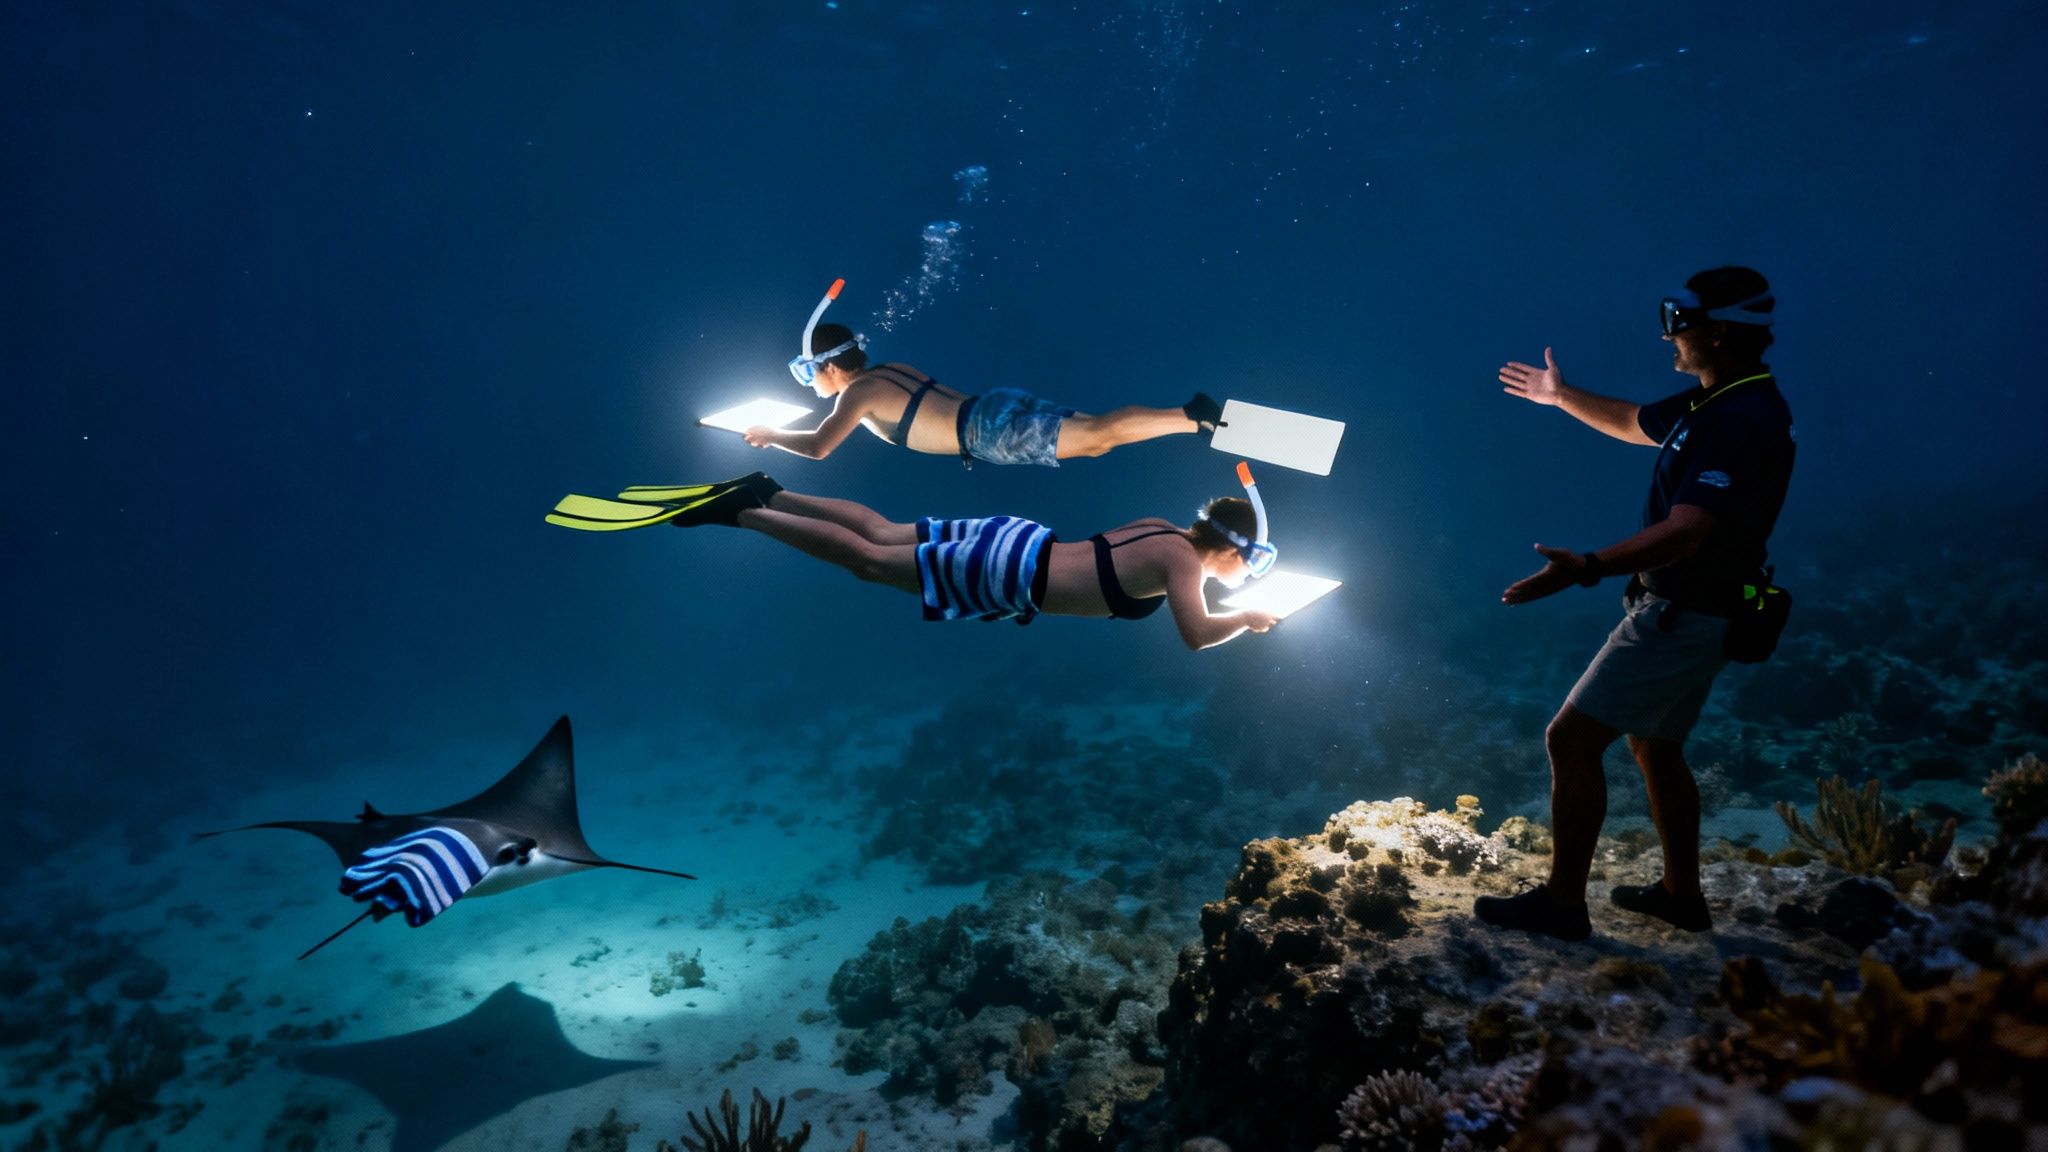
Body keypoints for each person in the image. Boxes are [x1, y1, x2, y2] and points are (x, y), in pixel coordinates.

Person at [1475, 266, 1795, 941]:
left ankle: (1563, 906)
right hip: (1706, 610)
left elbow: (1687, 530)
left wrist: (1588, 567)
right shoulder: (1718, 401)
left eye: (1679, 321)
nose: (1666, 335)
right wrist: (1560, 396)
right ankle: (1682, 896)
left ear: (1719, 331)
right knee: (1654, 745)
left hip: (1682, 615)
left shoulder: (1741, 418)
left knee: (1570, 739)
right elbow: (1630, 422)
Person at [660, 472, 1280, 650]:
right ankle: (745, 512)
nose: (1242, 578)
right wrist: (1247, 618)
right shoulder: (1184, 565)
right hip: (1010, 575)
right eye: (1247, 567)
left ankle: (772, 490)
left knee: (881, 529)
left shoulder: (1163, 527)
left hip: (1017, 540)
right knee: (871, 562)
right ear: (1229, 549)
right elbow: (1196, 636)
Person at [747, 321, 1224, 466]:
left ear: (829, 366)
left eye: (810, 373)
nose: (814, 383)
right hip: (992, 403)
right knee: (1096, 432)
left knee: (1098, 437)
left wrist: (771, 435)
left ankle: (1190, 417)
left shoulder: (853, 396)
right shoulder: (892, 368)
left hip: (984, 432)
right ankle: (1188, 418)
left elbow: (819, 446)